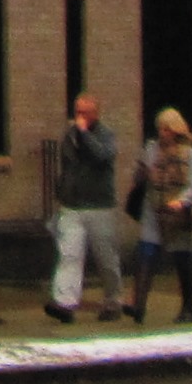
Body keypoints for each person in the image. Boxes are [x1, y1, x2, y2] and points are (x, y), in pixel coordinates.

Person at [44, 90, 125, 321]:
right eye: (77, 112)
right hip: (72, 206)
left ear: (95, 113)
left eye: (85, 113)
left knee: (106, 258)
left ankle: (113, 301)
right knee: (69, 254)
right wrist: (62, 191)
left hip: (99, 206)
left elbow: (102, 156)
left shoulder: (106, 135)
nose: (79, 116)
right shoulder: (69, 135)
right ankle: (65, 303)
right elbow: (68, 166)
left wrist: (84, 134)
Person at [124, 108, 192, 323]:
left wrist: (182, 201)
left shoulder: (189, 155)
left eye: (166, 129)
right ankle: (138, 304)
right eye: (160, 128)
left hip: (177, 213)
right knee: (146, 252)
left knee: (182, 257)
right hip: (154, 208)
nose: (162, 133)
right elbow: (141, 174)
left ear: (176, 130)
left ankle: (188, 306)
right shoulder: (151, 150)